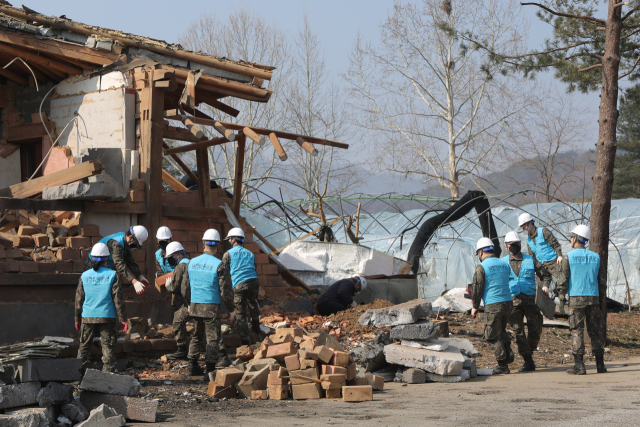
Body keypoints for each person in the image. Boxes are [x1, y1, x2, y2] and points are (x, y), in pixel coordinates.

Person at [182, 229, 234, 379]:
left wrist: (189, 303)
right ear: (217, 246)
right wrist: (231, 309)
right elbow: (226, 291)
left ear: (203, 244)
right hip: (211, 307)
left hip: (195, 305)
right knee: (212, 338)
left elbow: (185, 288)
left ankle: (192, 366)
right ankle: (209, 371)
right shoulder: (220, 265)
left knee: (196, 336)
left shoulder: (191, 263)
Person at [556, 224, 607, 375]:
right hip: (593, 298)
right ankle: (600, 364)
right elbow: (602, 281)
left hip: (576, 299)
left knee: (577, 331)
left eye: (572, 236)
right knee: (595, 332)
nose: (571, 239)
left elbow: (563, 280)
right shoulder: (595, 257)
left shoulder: (568, 257)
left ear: (576, 238)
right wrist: (602, 301)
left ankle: (579, 365)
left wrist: (561, 298)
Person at [502, 231, 551, 372]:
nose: (514, 247)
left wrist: (545, 285)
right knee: (518, 332)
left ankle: (529, 351)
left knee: (536, 328)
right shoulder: (503, 263)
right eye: (511, 245)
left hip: (530, 302)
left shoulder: (530, 260)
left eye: (517, 244)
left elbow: (546, 274)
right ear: (507, 247)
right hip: (513, 303)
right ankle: (528, 360)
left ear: (520, 244)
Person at [75, 243, 128, 373]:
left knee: (83, 348)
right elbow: (118, 300)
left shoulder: (84, 275)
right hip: (107, 317)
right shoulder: (113, 275)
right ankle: (107, 378)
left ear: (92, 258)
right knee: (107, 349)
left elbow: (78, 299)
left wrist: (77, 318)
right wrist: (123, 319)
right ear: (107, 259)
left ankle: (76, 376)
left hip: (87, 317)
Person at [471, 237, 514, 374]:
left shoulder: (481, 267)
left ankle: (502, 365)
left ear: (480, 253)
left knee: (491, 335)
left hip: (493, 304)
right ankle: (508, 350)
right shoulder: (504, 264)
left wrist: (475, 306)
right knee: (500, 330)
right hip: (507, 303)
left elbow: (477, 289)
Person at [220, 227, 260, 345]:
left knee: (240, 312)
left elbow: (224, 273)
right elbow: (254, 268)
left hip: (239, 285)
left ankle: (245, 341)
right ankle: (256, 328)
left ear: (233, 239)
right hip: (254, 282)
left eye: (229, 239)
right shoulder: (250, 253)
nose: (228, 242)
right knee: (252, 303)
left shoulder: (228, 254)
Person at [85, 225, 150, 295]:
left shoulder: (125, 243)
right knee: (93, 293)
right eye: (135, 243)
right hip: (93, 265)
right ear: (131, 237)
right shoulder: (116, 243)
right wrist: (134, 281)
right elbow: (119, 265)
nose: (135, 245)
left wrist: (140, 276)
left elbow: (130, 262)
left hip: (104, 267)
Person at [518, 213, 564, 292]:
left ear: (530, 224)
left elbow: (555, 244)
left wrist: (559, 255)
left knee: (563, 281)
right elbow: (532, 256)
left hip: (553, 262)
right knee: (541, 289)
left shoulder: (543, 231)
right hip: (541, 266)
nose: (524, 229)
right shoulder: (528, 240)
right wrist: (535, 268)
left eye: (525, 227)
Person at [162, 241, 190, 360]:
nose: (170, 259)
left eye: (171, 257)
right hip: (193, 299)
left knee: (178, 321)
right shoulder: (190, 263)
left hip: (187, 301)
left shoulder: (180, 266)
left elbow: (176, 286)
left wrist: (169, 286)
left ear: (178, 254)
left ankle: (182, 350)